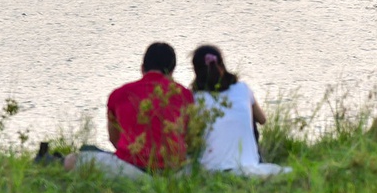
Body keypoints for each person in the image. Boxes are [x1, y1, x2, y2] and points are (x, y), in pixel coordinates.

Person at [65, 42, 195, 178]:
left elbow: (114, 138)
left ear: (142, 67)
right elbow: (188, 138)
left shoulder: (120, 94)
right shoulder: (185, 95)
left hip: (130, 170)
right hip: (173, 173)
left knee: (72, 160)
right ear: (172, 70)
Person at [190, 45, 290, 177]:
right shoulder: (242, 88)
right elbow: (262, 119)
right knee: (249, 115)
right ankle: (251, 157)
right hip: (249, 165)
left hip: (209, 168)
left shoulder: (195, 98)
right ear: (222, 64)